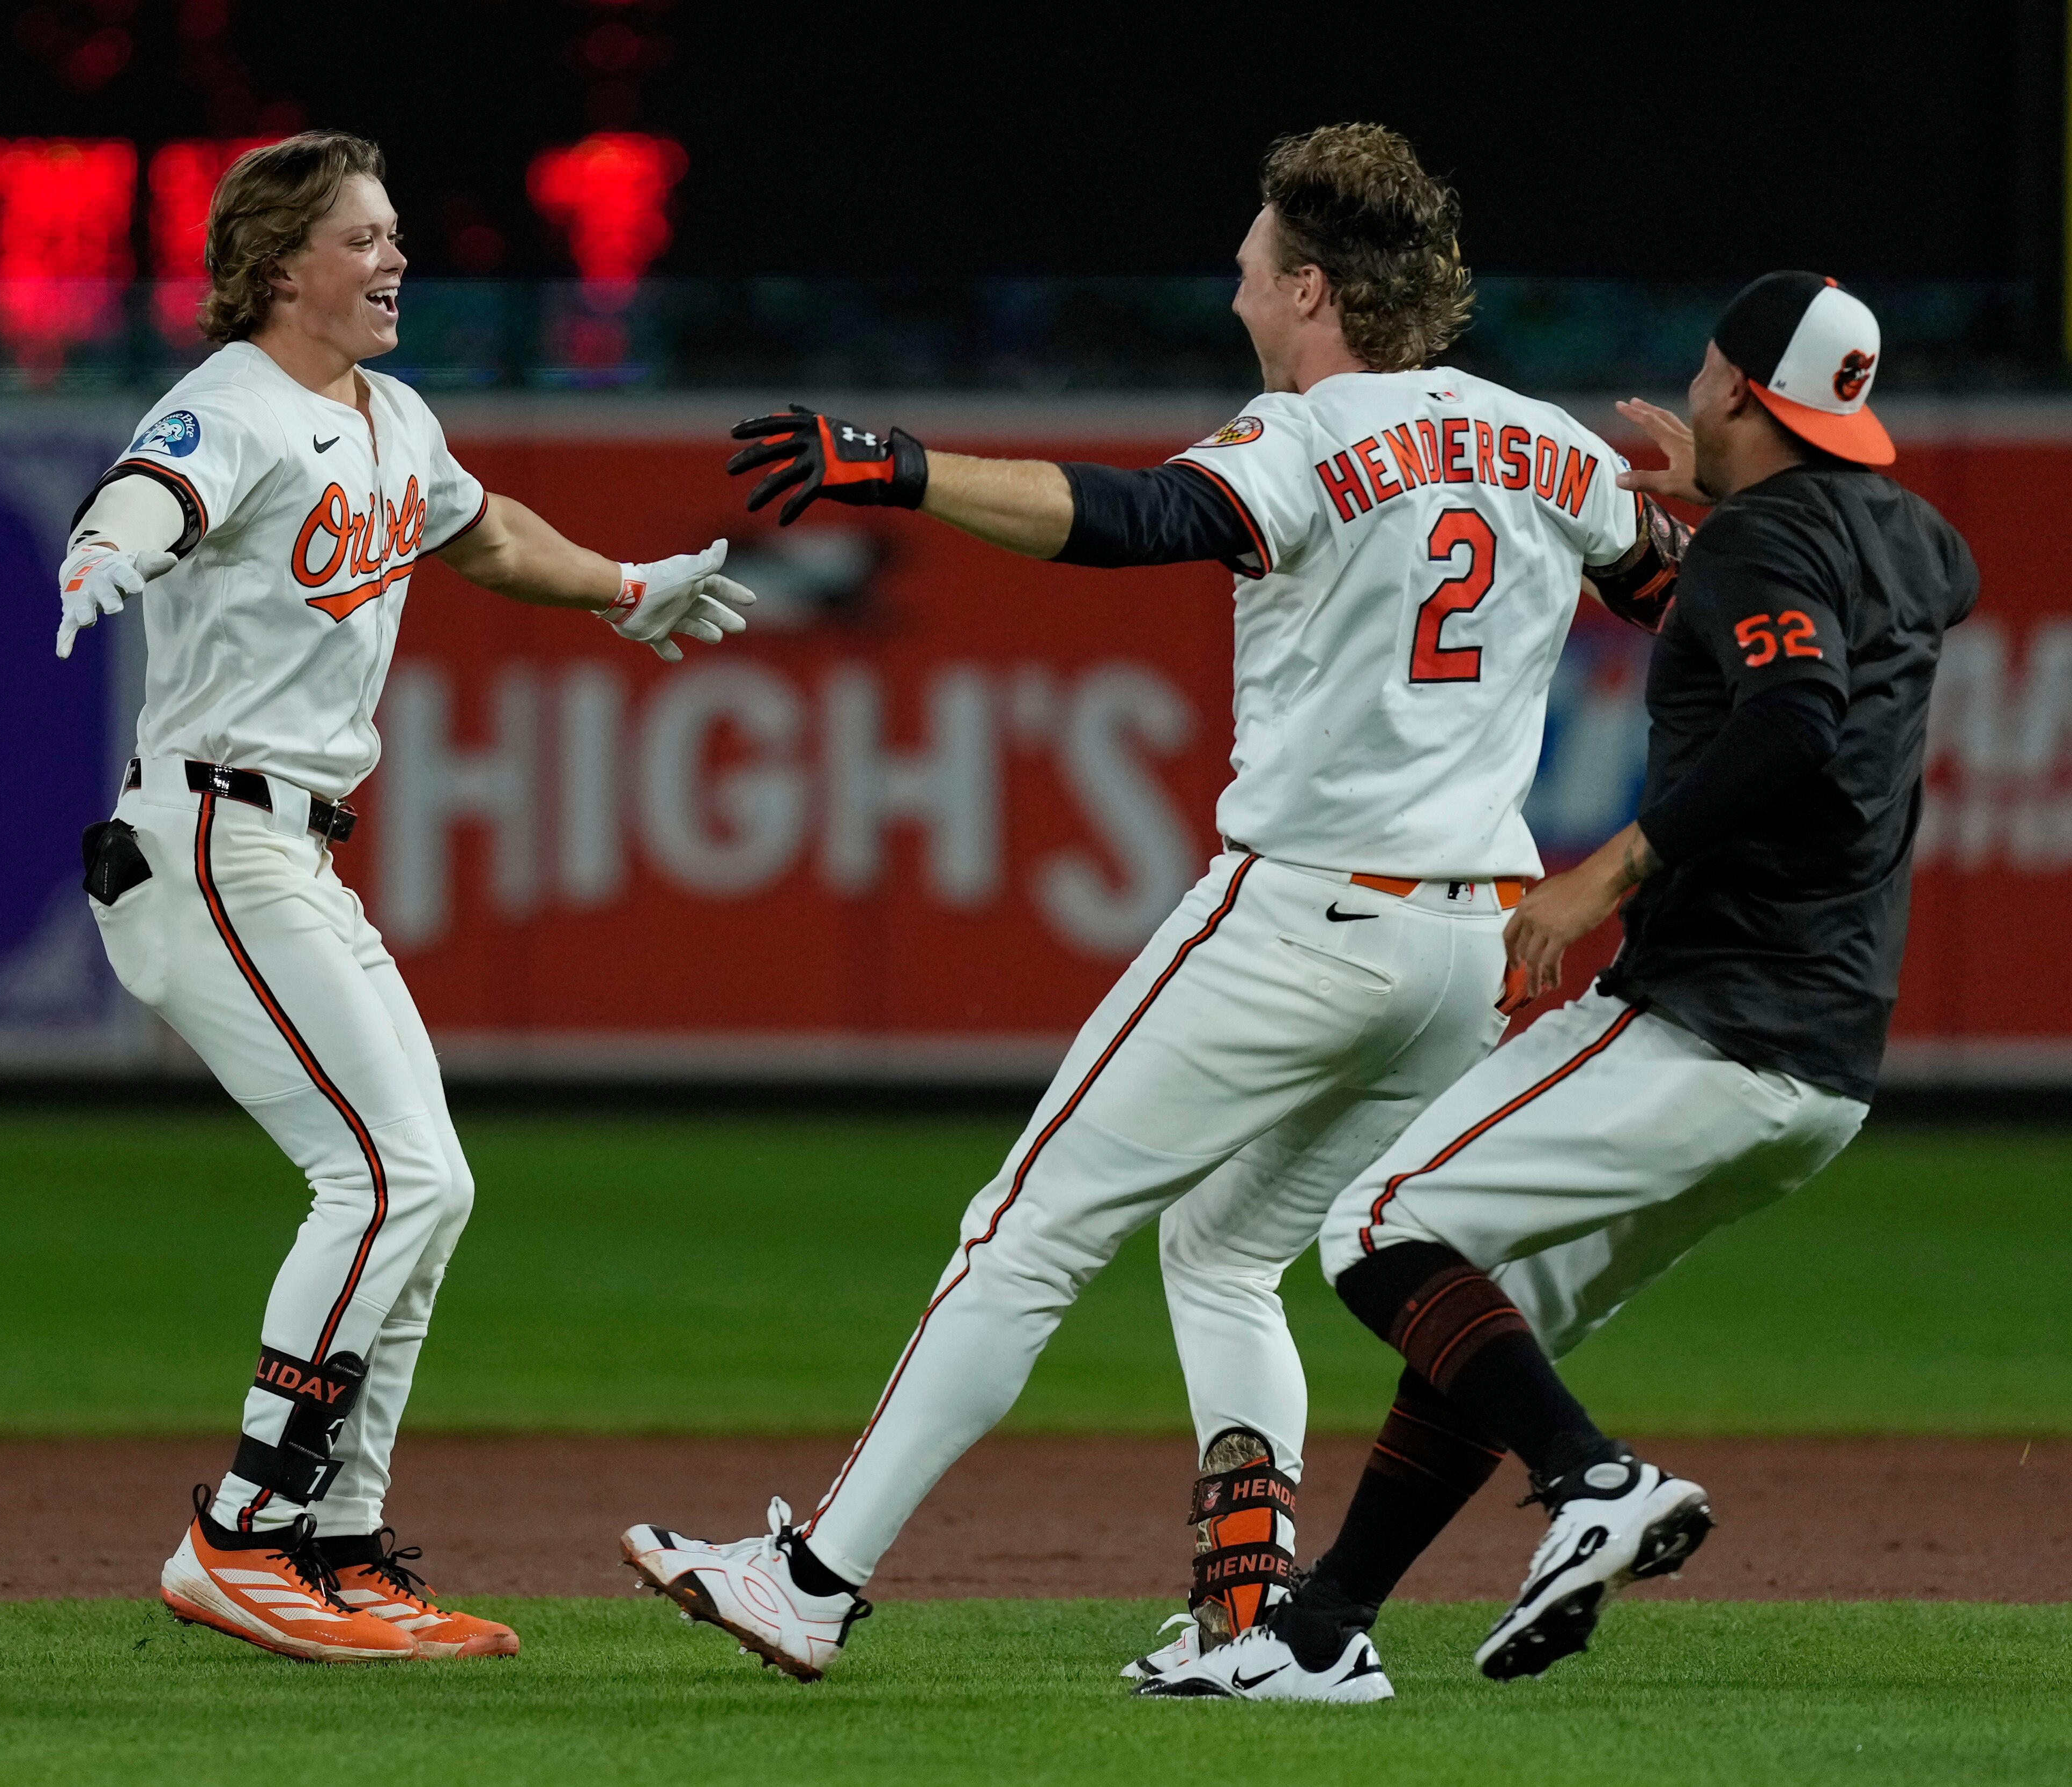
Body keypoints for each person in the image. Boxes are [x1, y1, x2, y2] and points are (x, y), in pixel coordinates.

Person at [619, 123, 1688, 1688]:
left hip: (1308, 910)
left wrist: (906, 467)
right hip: (1476, 938)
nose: (1238, 285)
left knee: (1028, 1232)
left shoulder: (1307, 436)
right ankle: (1255, 1617)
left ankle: (813, 1577)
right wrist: (1710, 511)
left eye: (1258, 263)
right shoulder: (1548, 441)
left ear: (1314, 288)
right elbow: (1683, 594)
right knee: (1228, 1246)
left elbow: (1136, 520)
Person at [1144, 271, 1977, 1699]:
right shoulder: (1908, 537)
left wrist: (1610, 871)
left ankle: (1594, 1480)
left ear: (1732, 393)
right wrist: (1729, 521)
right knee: (1488, 1316)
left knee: (1376, 1226)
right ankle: (1324, 1629)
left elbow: (1793, 719)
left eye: (1712, 373)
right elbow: (1868, 598)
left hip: (1715, 1017)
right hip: (1825, 1072)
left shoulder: (1760, 546)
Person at [59, 131, 752, 1664]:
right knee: (391, 1181)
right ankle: (242, 1534)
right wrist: (105, 551)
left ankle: (342, 1542)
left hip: (290, 847)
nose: (395, 262)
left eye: (394, 234)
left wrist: (627, 589)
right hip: (209, 842)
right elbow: (148, 487)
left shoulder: (391, 413)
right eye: (365, 239)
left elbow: (485, 532)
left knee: (429, 1186)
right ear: (278, 265)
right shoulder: (234, 401)